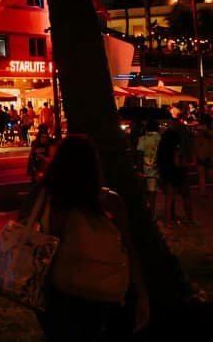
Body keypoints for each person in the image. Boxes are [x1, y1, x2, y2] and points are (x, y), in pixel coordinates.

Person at [19, 135, 148, 339]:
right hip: (105, 291)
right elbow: (128, 246)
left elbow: (22, 231)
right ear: (93, 166)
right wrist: (140, 292)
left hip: (59, 289)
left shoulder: (45, 195)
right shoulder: (111, 201)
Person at [157, 124, 194, 226]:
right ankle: (190, 220)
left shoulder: (162, 149)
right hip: (178, 173)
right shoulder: (176, 148)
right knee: (186, 196)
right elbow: (177, 163)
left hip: (167, 173)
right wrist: (187, 164)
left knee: (169, 199)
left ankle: (168, 222)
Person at [136, 119, 162, 218]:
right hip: (156, 168)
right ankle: (151, 213)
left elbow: (140, 154)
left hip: (144, 167)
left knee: (143, 193)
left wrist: (138, 170)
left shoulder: (143, 139)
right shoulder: (160, 138)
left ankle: (144, 212)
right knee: (152, 193)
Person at [196, 114, 213, 195]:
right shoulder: (209, 131)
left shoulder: (200, 130)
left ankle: (202, 191)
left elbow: (197, 142)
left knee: (202, 175)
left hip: (202, 154)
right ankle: (202, 191)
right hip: (208, 154)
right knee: (209, 174)